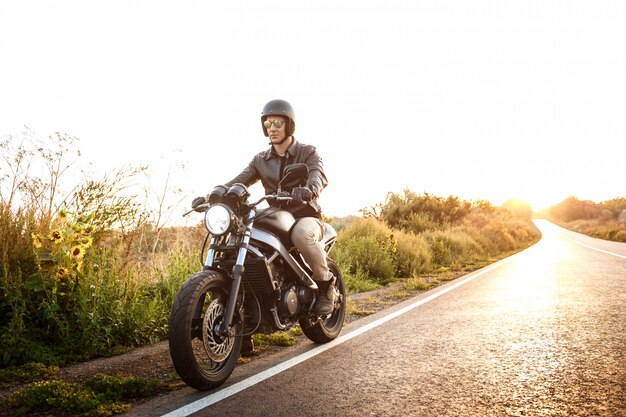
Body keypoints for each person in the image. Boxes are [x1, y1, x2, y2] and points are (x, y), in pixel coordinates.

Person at [191, 99, 336, 351]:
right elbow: (239, 181)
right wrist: (212, 196)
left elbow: (318, 174)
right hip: (275, 215)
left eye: (278, 123)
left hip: (304, 214)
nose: (272, 128)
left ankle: (325, 285)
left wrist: (309, 189)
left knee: (303, 235)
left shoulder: (307, 152)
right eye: (268, 123)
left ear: (289, 125)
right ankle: (243, 322)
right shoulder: (260, 159)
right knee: (241, 247)